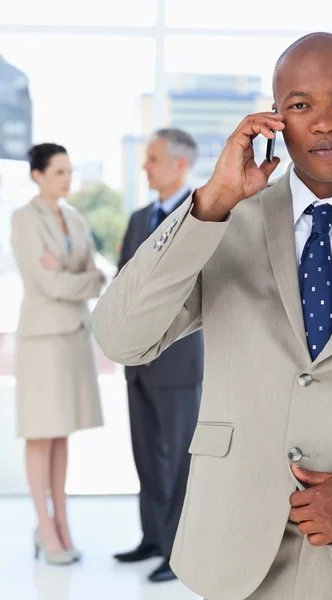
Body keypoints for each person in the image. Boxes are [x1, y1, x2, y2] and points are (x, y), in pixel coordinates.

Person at [91, 32, 332, 599]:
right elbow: (119, 338)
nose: (326, 122)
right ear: (275, 118)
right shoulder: (220, 223)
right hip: (237, 553)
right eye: (301, 106)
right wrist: (211, 202)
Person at [112, 128, 204, 583]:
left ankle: (177, 551)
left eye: (152, 158)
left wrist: (156, 339)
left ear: (179, 165)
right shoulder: (137, 218)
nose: (144, 166)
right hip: (137, 366)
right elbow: (123, 287)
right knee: (146, 454)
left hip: (178, 363)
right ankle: (152, 537)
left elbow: (196, 291)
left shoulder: (204, 215)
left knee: (182, 461)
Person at [11, 143, 104, 566]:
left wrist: (76, 277)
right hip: (43, 342)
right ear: (38, 175)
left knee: (63, 432)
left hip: (74, 337)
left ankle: (62, 523)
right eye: (59, 172)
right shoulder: (23, 220)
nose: (67, 179)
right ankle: (45, 528)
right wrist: (81, 279)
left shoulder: (76, 218)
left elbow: (98, 274)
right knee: (41, 433)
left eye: (69, 171)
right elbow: (50, 286)